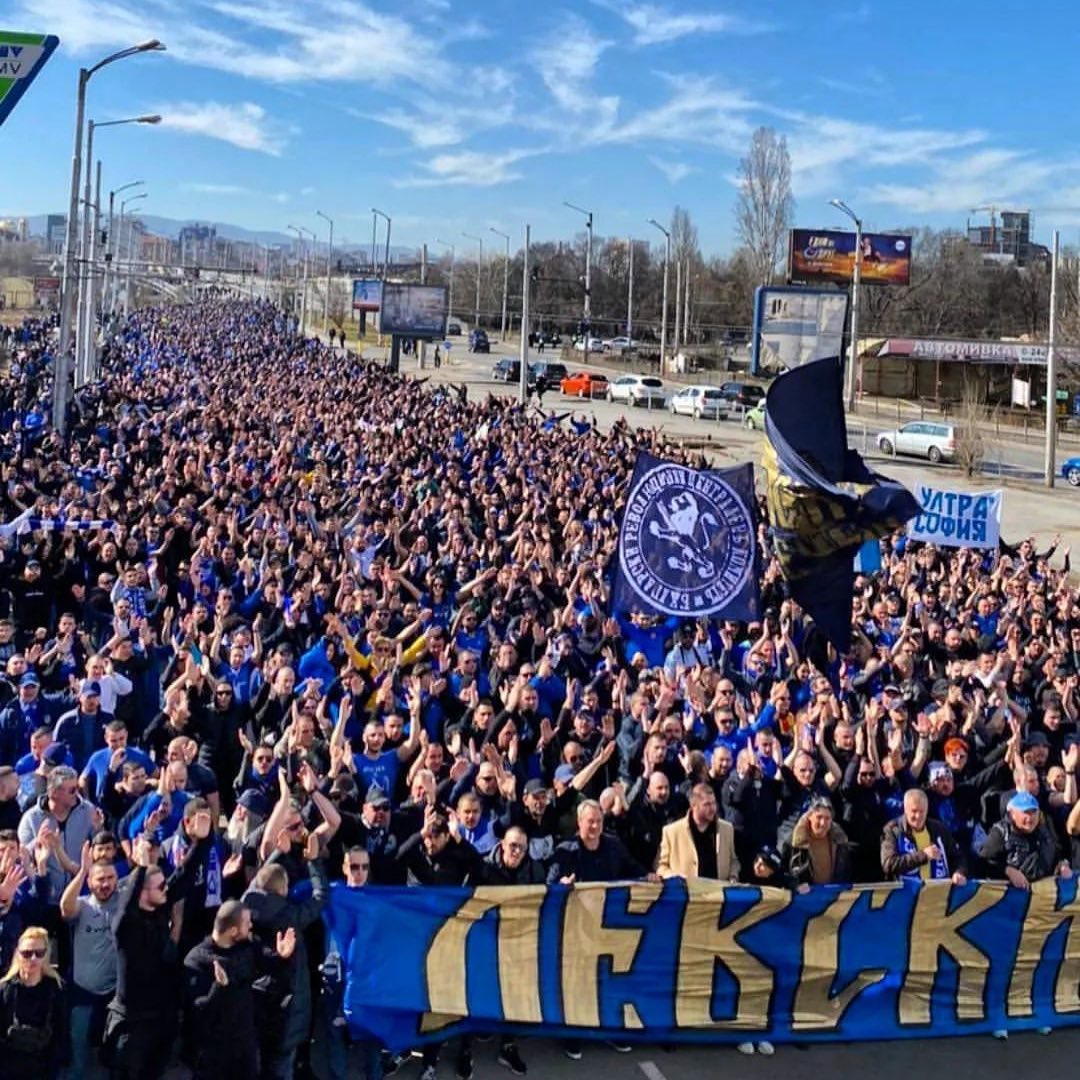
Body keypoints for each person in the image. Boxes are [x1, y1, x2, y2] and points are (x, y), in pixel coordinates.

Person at [183, 899, 296, 1080]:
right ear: (232, 931)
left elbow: (271, 967)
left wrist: (282, 958)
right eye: (246, 923)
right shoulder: (197, 960)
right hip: (213, 1052)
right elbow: (199, 1008)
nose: (251, 926)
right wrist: (219, 987)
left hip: (245, 1045)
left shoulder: (248, 947)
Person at [60, 840, 120, 1077]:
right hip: (83, 990)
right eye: (100, 879)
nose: (106, 884)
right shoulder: (82, 906)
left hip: (115, 992)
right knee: (78, 1043)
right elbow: (65, 907)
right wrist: (84, 869)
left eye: (110, 878)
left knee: (112, 1049)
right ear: (90, 883)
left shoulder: (123, 902)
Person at [0, 925, 67, 1079]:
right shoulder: (5, 990)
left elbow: (60, 1033)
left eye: (39, 953)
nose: (33, 959)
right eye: (27, 954)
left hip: (43, 1067)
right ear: (18, 954)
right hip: (9, 1068)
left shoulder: (56, 989)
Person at [880, 789, 967, 885]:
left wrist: (959, 872)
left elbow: (958, 856)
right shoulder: (893, 830)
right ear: (905, 809)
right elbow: (889, 864)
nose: (918, 816)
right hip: (905, 895)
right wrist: (923, 855)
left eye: (922, 811)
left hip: (937, 893)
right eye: (914, 811)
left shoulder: (938, 829)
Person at [657, 782, 740, 882]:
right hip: (688, 894)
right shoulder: (672, 832)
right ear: (694, 806)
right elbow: (661, 867)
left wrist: (733, 876)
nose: (713, 808)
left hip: (717, 894)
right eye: (707, 805)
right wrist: (677, 878)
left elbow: (733, 861)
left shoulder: (727, 829)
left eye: (714, 803)